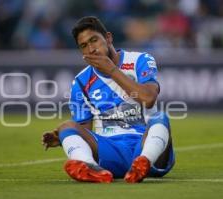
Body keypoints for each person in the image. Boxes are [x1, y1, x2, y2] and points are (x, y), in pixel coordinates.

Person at [42, 16, 175, 183]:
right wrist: (65, 138)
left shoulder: (140, 60)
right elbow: (84, 128)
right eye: (84, 46)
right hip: (111, 152)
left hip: (145, 142)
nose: (91, 49)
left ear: (108, 38)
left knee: (160, 117)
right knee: (66, 126)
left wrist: (111, 70)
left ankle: (144, 162)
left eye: (94, 40)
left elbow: (148, 98)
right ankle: (91, 168)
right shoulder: (81, 82)